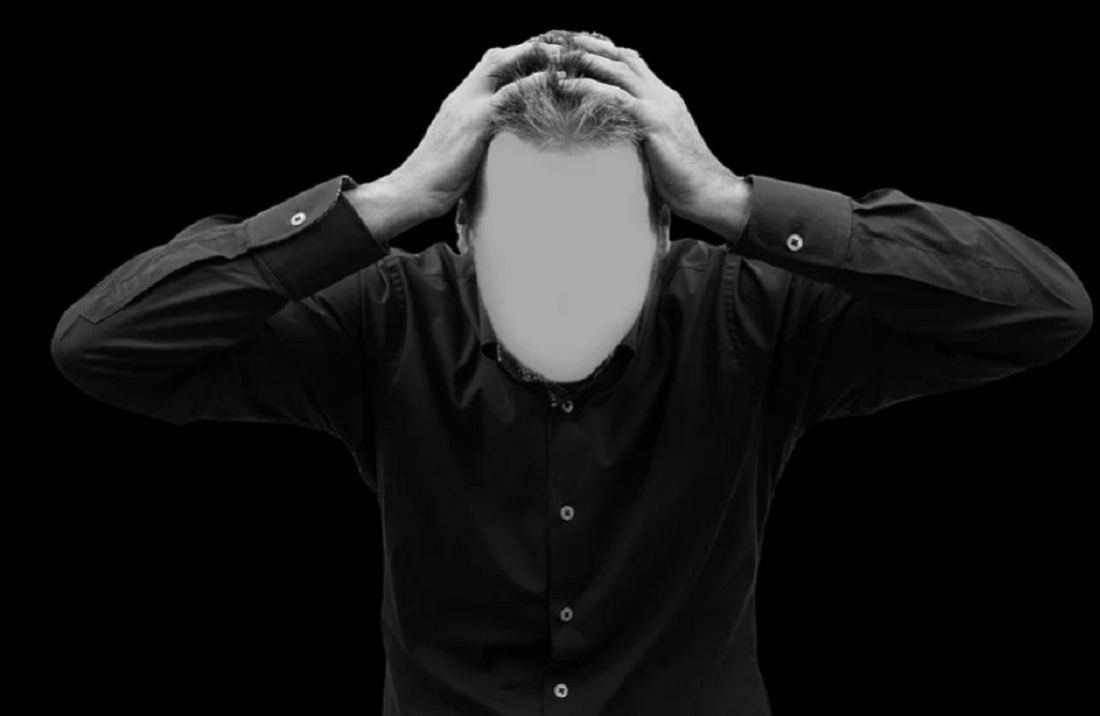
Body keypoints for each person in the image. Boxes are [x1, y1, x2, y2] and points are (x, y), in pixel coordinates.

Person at [49, 28, 1092, 716]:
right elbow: (105, 345)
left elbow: (1040, 309)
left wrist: (736, 202)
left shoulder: (745, 313)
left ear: (664, 231)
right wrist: (385, 201)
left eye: (597, 236)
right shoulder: (388, 316)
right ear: (459, 233)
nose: (560, 277)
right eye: (527, 237)